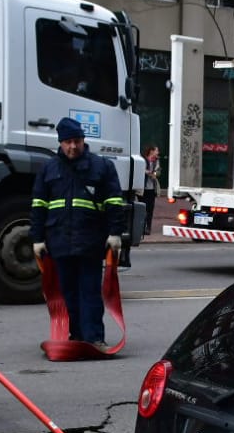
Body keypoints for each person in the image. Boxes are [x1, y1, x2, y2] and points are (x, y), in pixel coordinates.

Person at [31, 118, 126, 348]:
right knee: (67, 294)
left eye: (76, 141)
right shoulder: (48, 169)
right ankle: (75, 336)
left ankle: (94, 338)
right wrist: (37, 239)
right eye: (67, 142)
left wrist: (115, 234)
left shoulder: (101, 166)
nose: (72, 146)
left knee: (90, 292)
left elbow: (114, 202)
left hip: (90, 242)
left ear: (83, 140)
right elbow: (38, 205)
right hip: (59, 242)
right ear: (60, 143)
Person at [140, 144, 159, 237]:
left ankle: (148, 228)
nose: (158, 152)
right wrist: (147, 172)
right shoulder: (143, 160)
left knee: (150, 209)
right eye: (156, 150)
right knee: (142, 209)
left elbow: (158, 172)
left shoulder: (156, 161)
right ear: (151, 151)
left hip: (151, 189)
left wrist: (155, 174)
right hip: (143, 189)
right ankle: (141, 227)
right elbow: (140, 169)